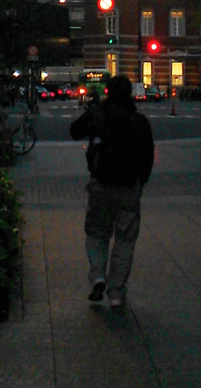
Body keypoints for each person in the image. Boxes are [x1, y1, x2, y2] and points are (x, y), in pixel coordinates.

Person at [70, 74, 154, 307]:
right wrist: (141, 182)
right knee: (125, 240)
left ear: (107, 92)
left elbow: (74, 131)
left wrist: (92, 112)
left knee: (97, 233)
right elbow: (147, 156)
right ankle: (116, 291)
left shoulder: (98, 116)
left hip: (101, 184)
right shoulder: (139, 121)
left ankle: (98, 275)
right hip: (129, 186)